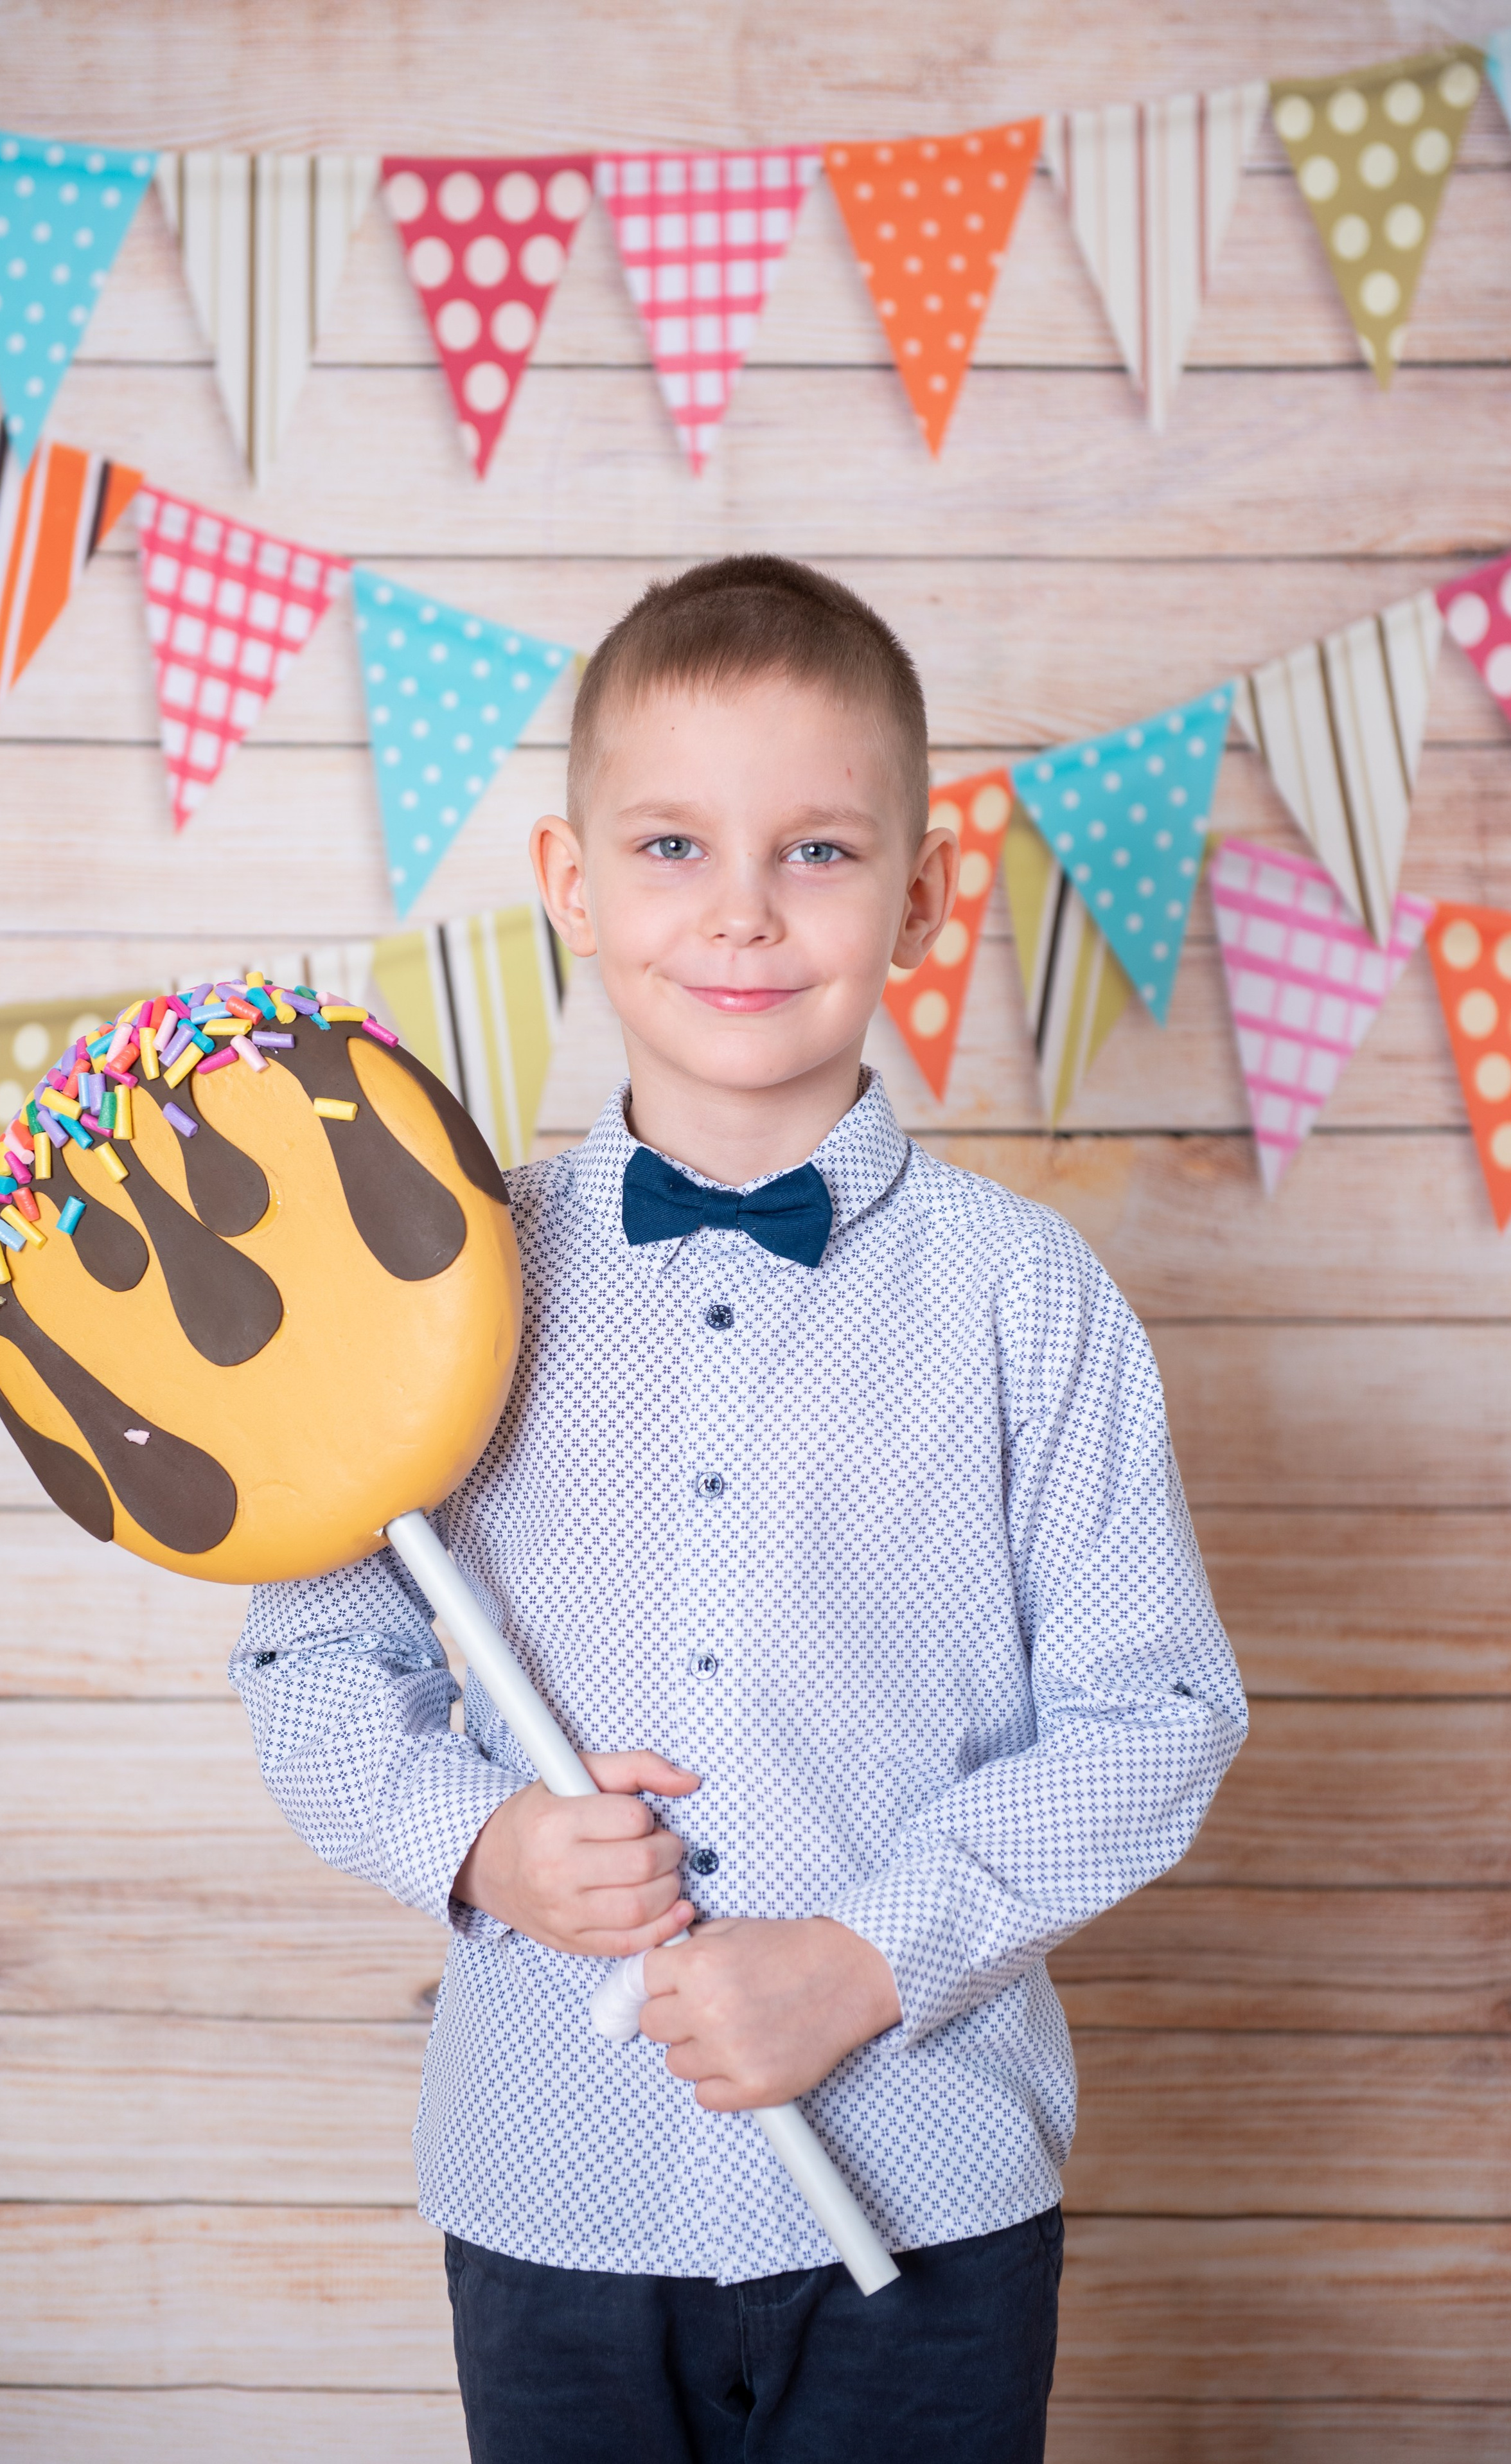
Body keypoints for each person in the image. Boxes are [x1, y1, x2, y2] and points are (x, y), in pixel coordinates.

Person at [231, 554, 1247, 2463]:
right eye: (677, 844)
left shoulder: (1029, 1302)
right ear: (571, 883)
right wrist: (488, 1843)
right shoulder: (445, 1279)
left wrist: (869, 1955)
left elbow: (1158, 1717)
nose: (745, 915)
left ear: (927, 891)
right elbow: (309, 1654)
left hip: (930, 2181)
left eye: (820, 852)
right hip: (553, 2186)